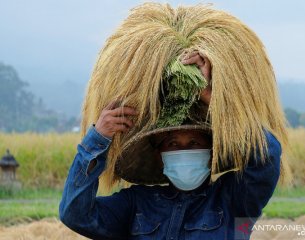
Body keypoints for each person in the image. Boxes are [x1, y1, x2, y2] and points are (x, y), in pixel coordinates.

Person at [59, 52, 282, 240]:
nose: (184, 151)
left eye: (194, 143)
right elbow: (75, 215)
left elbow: (268, 154)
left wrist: (214, 99)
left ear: (212, 151)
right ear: (159, 155)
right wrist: (98, 137)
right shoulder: (136, 204)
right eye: (173, 144)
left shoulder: (234, 200)